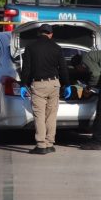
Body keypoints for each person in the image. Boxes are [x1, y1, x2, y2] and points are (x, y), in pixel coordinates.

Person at [20, 23, 73, 155]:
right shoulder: (56, 48)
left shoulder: (31, 47)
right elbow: (63, 68)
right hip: (54, 84)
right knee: (51, 115)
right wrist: (67, 84)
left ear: (39, 33)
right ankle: (50, 143)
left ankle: (41, 145)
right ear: (51, 34)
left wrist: (23, 84)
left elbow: (26, 68)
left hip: (38, 85)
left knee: (39, 115)